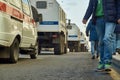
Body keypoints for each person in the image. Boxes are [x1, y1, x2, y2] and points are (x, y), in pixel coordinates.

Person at [82, 0, 119, 71]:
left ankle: (107, 62)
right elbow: (90, 6)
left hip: (110, 18)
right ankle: (102, 63)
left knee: (107, 38)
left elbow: (118, 4)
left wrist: (118, 16)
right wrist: (86, 17)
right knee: (101, 42)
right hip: (98, 19)